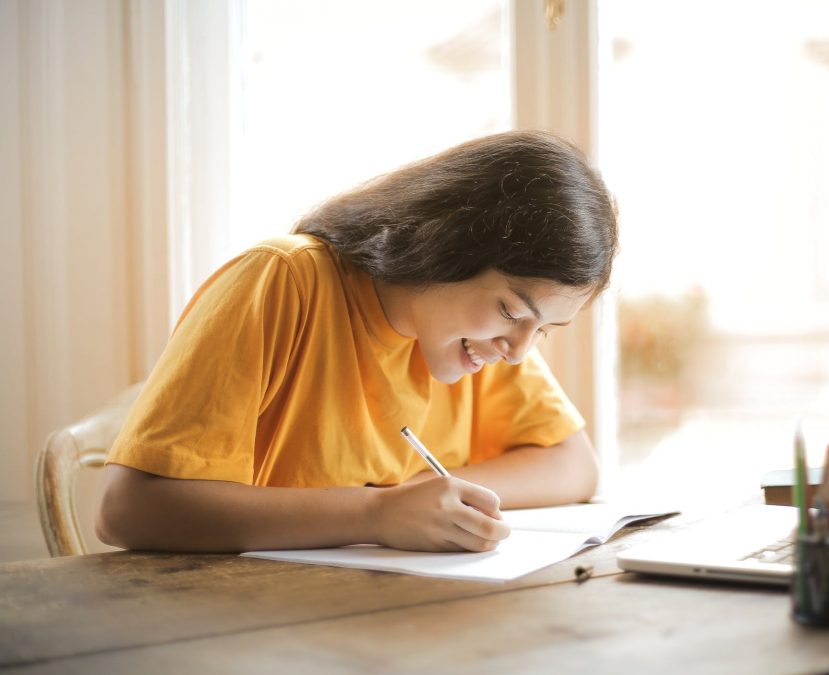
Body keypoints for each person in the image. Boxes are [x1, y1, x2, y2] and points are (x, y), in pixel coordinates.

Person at [96, 130, 619, 555]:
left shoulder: (482, 340)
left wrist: (429, 497)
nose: (520, 350)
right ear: (444, 246)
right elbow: (127, 510)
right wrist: (376, 514)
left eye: (543, 330)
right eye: (511, 311)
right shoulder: (282, 281)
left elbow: (574, 465)